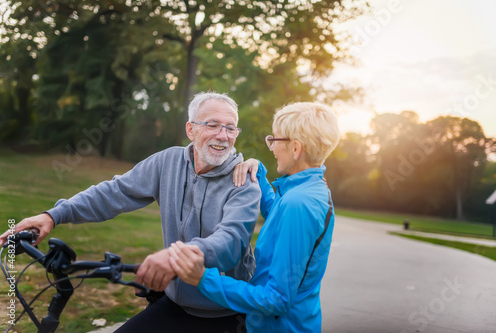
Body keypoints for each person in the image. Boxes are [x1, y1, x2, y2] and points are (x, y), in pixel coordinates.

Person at [0, 92, 261, 333]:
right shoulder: (167, 162)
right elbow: (115, 192)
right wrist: (53, 215)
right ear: (191, 129)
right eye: (213, 125)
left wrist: (176, 256)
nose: (222, 135)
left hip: (226, 315)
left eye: (230, 128)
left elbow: (231, 243)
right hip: (173, 304)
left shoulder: (244, 182)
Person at [167, 102, 341, 332]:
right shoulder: (311, 190)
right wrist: (257, 171)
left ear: (296, 149)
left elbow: (276, 299)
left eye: (275, 140)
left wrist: (203, 279)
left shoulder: (299, 204)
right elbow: (276, 216)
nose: (271, 147)